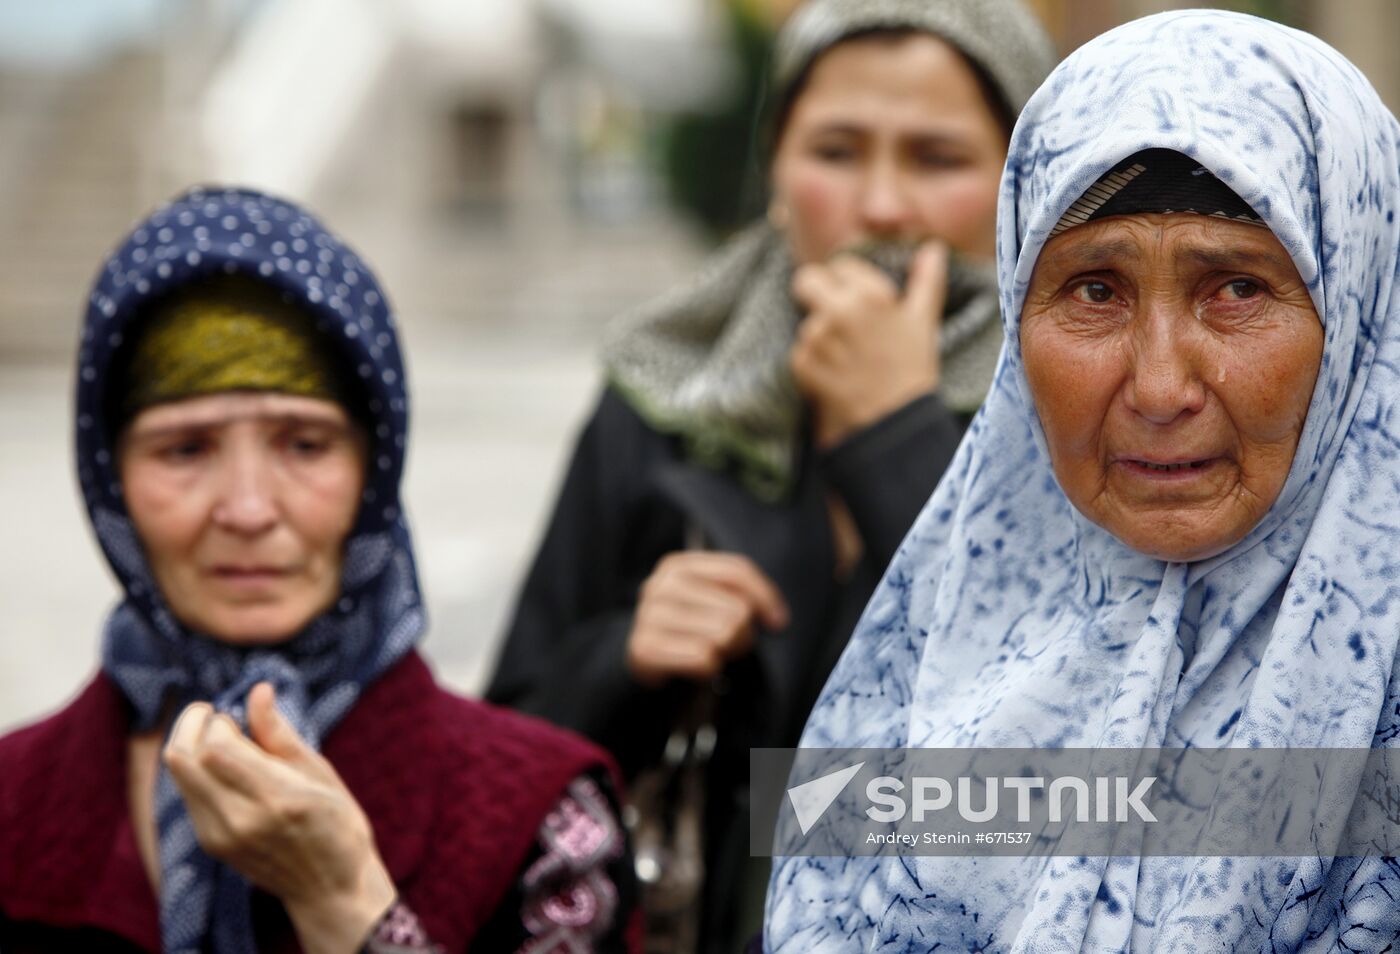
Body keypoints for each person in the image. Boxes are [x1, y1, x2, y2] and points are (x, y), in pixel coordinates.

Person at [765, 8, 1400, 951]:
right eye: (1094, 290)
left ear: (1357, 312)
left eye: (1237, 290)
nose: (1157, 387)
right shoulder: (927, 659)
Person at [485, 1, 1055, 949]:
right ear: (777, 176)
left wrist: (895, 435)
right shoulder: (669, 389)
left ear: (1021, 181)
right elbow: (499, 749)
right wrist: (623, 659)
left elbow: (1099, 775)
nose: (881, 205)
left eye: (937, 158)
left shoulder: (1090, 403)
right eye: (835, 150)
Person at [0, 187, 638, 953]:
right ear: (110, 485)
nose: (247, 508)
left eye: (305, 444)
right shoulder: (13, 799)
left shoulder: (544, 818)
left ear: (374, 474)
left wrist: (344, 903)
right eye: (184, 450)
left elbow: (820, 830)